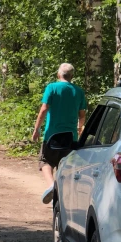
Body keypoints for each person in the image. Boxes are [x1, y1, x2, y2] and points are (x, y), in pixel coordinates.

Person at [32, 63, 86, 204]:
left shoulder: (52, 88)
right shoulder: (78, 91)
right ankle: (64, 196)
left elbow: (44, 110)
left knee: (45, 161)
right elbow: (82, 115)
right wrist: (80, 131)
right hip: (71, 137)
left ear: (58, 74)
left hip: (52, 135)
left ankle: (51, 185)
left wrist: (36, 129)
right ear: (72, 76)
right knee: (66, 165)